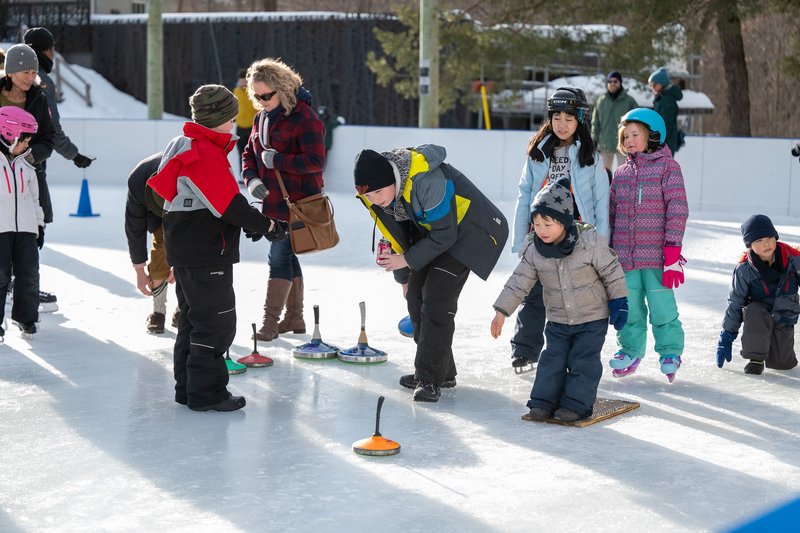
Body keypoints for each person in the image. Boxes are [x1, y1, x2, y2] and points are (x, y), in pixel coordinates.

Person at [147, 84, 288, 412]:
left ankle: (188, 388)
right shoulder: (204, 152)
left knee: (194, 321)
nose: (235, 121)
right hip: (204, 253)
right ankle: (207, 393)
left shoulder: (183, 144)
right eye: (231, 115)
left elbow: (209, 203)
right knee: (216, 322)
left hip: (187, 250)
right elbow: (228, 203)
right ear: (221, 118)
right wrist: (267, 226)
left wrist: (240, 224)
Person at [354, 144, 509, 402]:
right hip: (434, 235)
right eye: (370, 197)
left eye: (379, 192)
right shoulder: (384, 196)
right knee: (415, 297)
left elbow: (446, 235)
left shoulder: (426, 179)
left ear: (392, 179)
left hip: (471, 231)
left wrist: (405, 260)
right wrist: (404, 278)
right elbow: (396, 235)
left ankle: (428, 378)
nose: (376, 200)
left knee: (436, 297)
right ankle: (443, 371)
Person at [492, 181, 628, 421]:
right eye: (536, 224)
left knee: (582, 361)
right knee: (552, 360)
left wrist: (619, 301)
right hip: (557, 318)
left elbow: (612, 270)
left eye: (547, 223)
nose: (541, 230)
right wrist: (502, 311)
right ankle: (543, 403)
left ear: (564, 222)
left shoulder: (589, 243)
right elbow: (519, 281)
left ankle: (576, 405)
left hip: (592, 316)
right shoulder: (534, 250)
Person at [509, 87, 609, 373]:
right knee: (534, 293)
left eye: (569, 117)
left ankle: (569, 353)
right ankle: (525, 350)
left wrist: (600, 244)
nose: (562, 123)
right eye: (556, 117)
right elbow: (524, 194)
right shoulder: (538, 153)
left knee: (571, 295)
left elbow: (602, 202)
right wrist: (521, 239)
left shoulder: (590, 157)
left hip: (576, 235)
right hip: (540, 232)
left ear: (580, 119)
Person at [241, 58, 326, 342]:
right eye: (256, 95)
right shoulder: (261, 118)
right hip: (272, 203)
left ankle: (270, 322)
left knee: (278, 258)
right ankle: (295, 317)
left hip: (298, 204)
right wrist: (251, 179)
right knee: (288, 254)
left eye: (266, 95)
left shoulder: (306, 118)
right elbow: (248, 154)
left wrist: (278, 159)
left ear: (283, 88)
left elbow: (315, 161)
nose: (261, 100)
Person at [608, 108, 689, 382]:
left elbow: (677, 208)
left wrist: (672, 252)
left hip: (656, 257)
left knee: (662, 307)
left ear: (652, 136)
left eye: (635, 134)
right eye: (625, 135)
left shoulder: (668, 168)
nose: (629, 140)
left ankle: (669, 351)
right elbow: (611, 213)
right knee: (629, 307)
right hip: (624, 258)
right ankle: (630, 349)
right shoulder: (620, 173)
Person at [1, 44, 56, 311]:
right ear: (10, 71)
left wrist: (31, 155)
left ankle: (24, 305)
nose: (28, 76)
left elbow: (48, 138)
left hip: (28, 178)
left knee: (32, 240)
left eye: (33, 71)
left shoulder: (38, 99)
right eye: (24, 70)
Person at [716, 215, 800, 375]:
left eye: (769, 237)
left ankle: (776, 350)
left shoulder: (794, 261)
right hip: (758, 318)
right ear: (750, 245)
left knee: (782, 364)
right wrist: (727, 334)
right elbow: (735, 303)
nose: (766, 244)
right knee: (754, 309)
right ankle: (756, 359)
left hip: (784, 317)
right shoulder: (744, 270)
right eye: (758, 241)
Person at [124, 151, 182, 334]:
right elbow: (135, 230)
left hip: (187, 209)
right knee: (160, 251)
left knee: (189, 256)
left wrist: (181, 265)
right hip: (156, 211)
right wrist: (139, 270)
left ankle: (183, 309)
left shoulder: (190, 175)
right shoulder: (137, 182)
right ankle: (159, 312)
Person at [0, 107, 44, 341]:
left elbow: (35, 198)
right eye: (24, 140)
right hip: (1, 229)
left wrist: (39, 226)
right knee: (0, 275)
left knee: (29, 275)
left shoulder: (26, 165)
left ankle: (26, 318)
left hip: (26, 230)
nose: (27, 145)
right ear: (8, 135)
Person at [591, 71, 638, 173]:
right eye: (610, 81)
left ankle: (623, 189)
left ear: (620, 82)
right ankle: (606, 189)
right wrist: (594, 139)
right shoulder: (601, 101)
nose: (612, 84)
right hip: (605, 144)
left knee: (625, 173)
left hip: (624, 144)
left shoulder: (630, 101)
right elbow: (595, 122)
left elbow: (637, 123)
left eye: (615, 81)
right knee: (604, 174)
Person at [648, 67, 683, 155]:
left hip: (665, 145)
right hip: (660, 143)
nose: (652, 87)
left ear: (662, 83)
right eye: (651, 85)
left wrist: (657, 142)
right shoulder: (661, 99)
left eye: (654, 84)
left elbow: (666, 124)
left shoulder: (667, 100)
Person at [232, 67, 257, 170]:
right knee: (241, 152)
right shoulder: (236, 91)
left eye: (245, 81)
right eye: (241, 81)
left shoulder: (254, 92)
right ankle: (244, 173)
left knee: (253, 152)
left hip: (252, 127)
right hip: (240, 127)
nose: (243, 83)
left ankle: (255, 173)